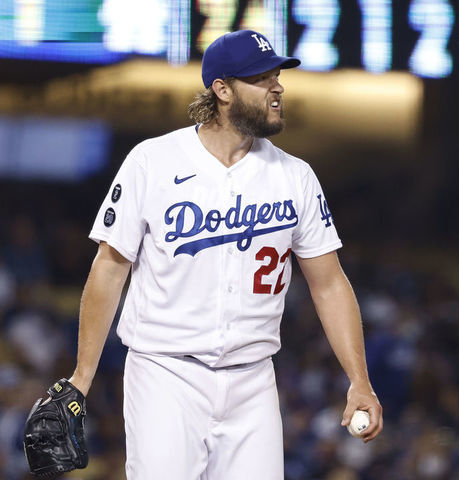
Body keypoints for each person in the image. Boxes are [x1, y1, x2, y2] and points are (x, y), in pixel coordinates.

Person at [66, 30, 382, 479]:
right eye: (262, 78)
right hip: (165, 372)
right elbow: (109, 269)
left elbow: (329, 282)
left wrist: (360, 380)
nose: (277, 87)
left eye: (277, 76)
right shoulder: (152, 161)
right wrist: (82, 377)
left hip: (253, 378)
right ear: (223, 90)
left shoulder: (295, 176)